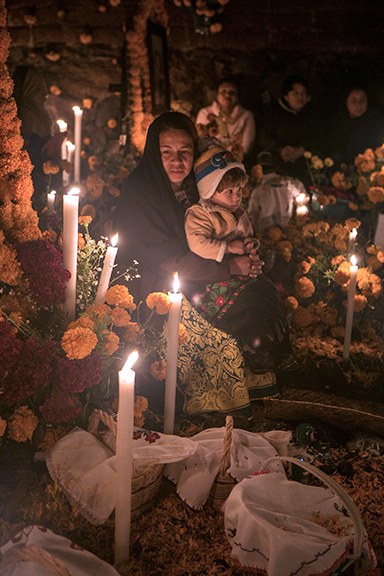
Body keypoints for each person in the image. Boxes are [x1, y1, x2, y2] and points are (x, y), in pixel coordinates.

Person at [113, 112, 295, 409]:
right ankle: (211, 396)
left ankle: (264, 365)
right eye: (166, 152)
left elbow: (217, 227)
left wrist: (244, 254)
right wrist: (229, 267)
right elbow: (168, 260)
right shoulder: (142, 193)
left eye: (185, 152)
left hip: (193, 272)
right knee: (234, 308)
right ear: (152, 153)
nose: (177, 161)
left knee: (260, 289)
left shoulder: (191, 186)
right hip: (154, 289)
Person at [185, 143, 259, 262]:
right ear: (209, 192)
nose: (237, 197)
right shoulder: (201, 214)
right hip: (214, 273)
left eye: (239, 189)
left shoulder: (240, 213)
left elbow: (249, 234)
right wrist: (228, 248)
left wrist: (249, 244)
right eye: (229, 191)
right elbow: (197, 243)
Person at [257, 74, 324, 185]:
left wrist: (302, 150)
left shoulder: (313, 114)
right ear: (286, 96)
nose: (300, 97)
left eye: (303, 93)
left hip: (304, 160)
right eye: (295, 93)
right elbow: (265, 137)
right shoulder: (274, 113)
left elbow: (319, 138)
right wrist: (281, 149)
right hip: (279, 159)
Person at [195, 78, 256, 161]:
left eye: (232, 92)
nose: (227, 95)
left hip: (235, 161)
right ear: (217, 94)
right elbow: (200, 142)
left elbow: (246, 147)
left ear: (238, 96)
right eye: (223, 91)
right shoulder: (205, 113)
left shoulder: (246, 116)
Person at [327, 85, 384, 165]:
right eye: (354, 101)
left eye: (363, 100)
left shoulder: (376, 122)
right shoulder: (338, 124)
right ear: (346, 102)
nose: (359, 104)